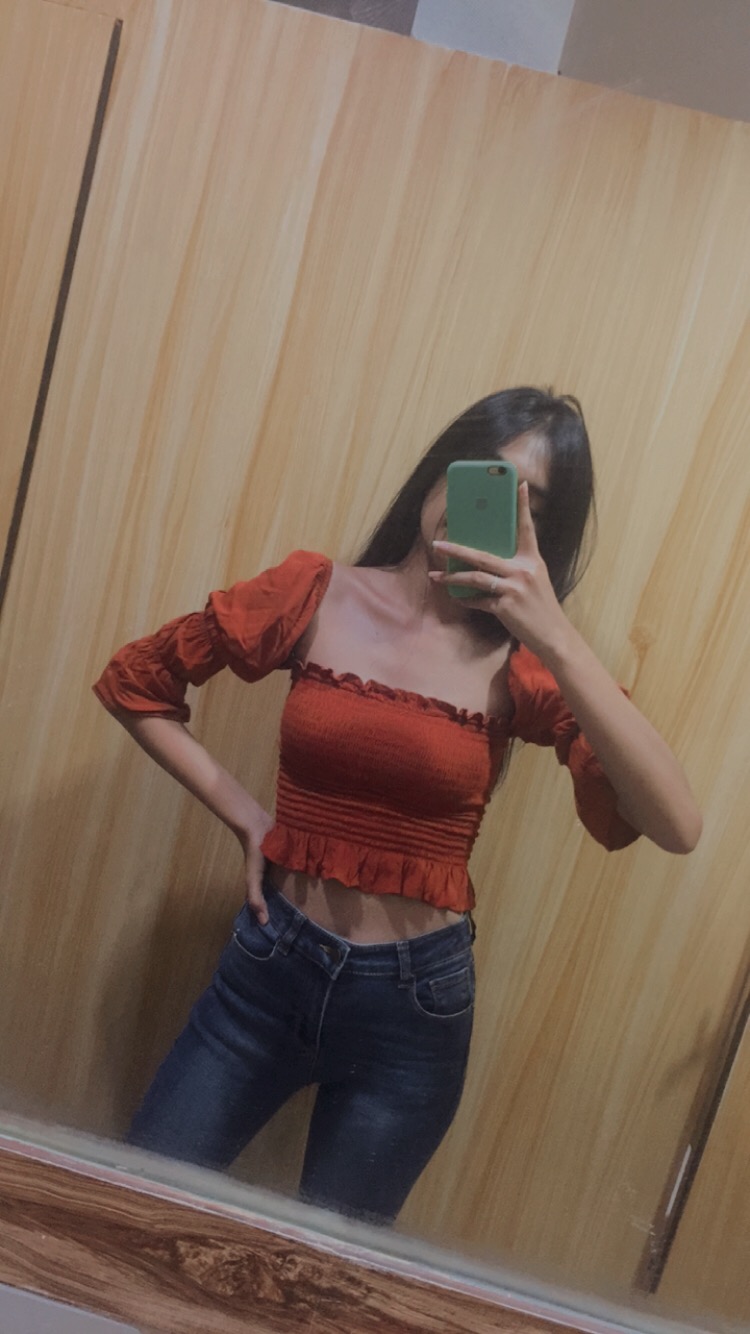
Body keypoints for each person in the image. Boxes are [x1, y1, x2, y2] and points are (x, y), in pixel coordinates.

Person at [93, 387, 701, 1224]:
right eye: (486, 471)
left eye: (528, 501)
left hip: (413, 1012)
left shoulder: (524, 663)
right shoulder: (315, 593)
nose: (493, 502)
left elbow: (676, 824)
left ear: (540, 535)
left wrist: (556, 634)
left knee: (330, 1279)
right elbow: (137, 684)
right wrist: (247, 816)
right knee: (132, 1213)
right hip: (265, 975)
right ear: (442, 468)